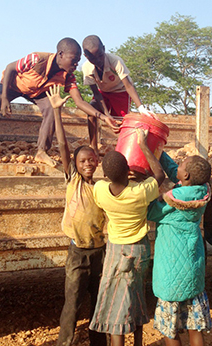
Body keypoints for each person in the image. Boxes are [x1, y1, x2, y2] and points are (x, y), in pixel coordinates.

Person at [0, 38, 118, 167]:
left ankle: (41, 151)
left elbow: (79, 101)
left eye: (78, 61)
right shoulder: (37, 59)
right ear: (61, 54)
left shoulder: (68, 76)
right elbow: (10, 68)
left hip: (37, 92)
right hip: (12, 86)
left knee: (51, 110)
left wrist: (103, 116)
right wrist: (5, 97)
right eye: (74, 59)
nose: (76, 64)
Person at [89, 131, 165, 346]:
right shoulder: (140, 192)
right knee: (136, 295)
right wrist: (142, 144)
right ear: (128, 170)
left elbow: (110, 181)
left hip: (114, 249)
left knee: (115, 301)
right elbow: (159, 175)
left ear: (106, 174)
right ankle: (138, 341)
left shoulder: (100, 189)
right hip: (137, 250)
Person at [45, 84, 108, 346]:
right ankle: (65, 342)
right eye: (83, 161)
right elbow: (62, 145)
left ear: (97, 162)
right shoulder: (74, 180)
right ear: (76, 164)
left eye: (92, 160)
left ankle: (98, 342)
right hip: (77, 253)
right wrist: (57, 112)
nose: (88, 164)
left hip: (99, 252)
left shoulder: (103, 186)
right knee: (72, 302)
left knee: (98, 301)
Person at [147, 152, 212, 346]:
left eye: (182, 164)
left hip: (171, 273)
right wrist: (158, 151)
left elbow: (151, 211)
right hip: (192, 269)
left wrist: (148, 185)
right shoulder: (201, 190)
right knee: (194, 325)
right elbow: (176, 171)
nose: (178, 166)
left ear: (186, 177)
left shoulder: (173, 203)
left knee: (170, 327)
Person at [82, 35, 155, 155]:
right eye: (93, 58)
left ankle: (123, 150)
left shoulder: (115, 61)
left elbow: (128, 85)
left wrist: (141, 108)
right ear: (86, 57)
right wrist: (106, 114)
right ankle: (93, 147)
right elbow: (96, 92)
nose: (98, 60)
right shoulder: (87, 68)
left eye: (100, 55)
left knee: (121, 123)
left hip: (120, 92)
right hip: (103, 94)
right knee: (92, 109)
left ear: (104, 49)